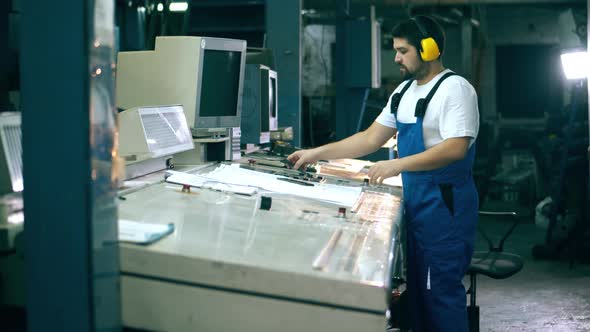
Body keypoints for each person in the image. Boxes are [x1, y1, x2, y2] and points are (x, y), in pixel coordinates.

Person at [288, 15, 479, 332]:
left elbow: (455, 148)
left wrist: (397, 164)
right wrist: (315, 153)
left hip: (445, 208)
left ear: (428, 50)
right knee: (418, 295)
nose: (396, 58)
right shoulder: (403, 92)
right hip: (417, 205)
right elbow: (369, 138)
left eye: (403, 51)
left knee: (440, 295)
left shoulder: (455, 90)